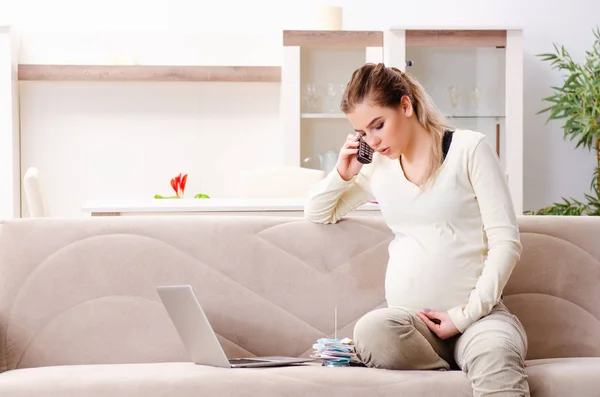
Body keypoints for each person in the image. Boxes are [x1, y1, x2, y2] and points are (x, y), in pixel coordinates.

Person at [304, 63, 529, 397]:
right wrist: (342, 173)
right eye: (363, 133)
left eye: (378, 125)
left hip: (480, 321)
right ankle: (456, 370)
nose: (373, 141)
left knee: (494, 353)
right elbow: (318, 213)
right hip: (414, 331)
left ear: (406, 105)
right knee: (371, 330)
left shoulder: (469, 149)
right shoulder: (377, 168)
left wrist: (463, 317)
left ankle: (473, 359)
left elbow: (506, 242)